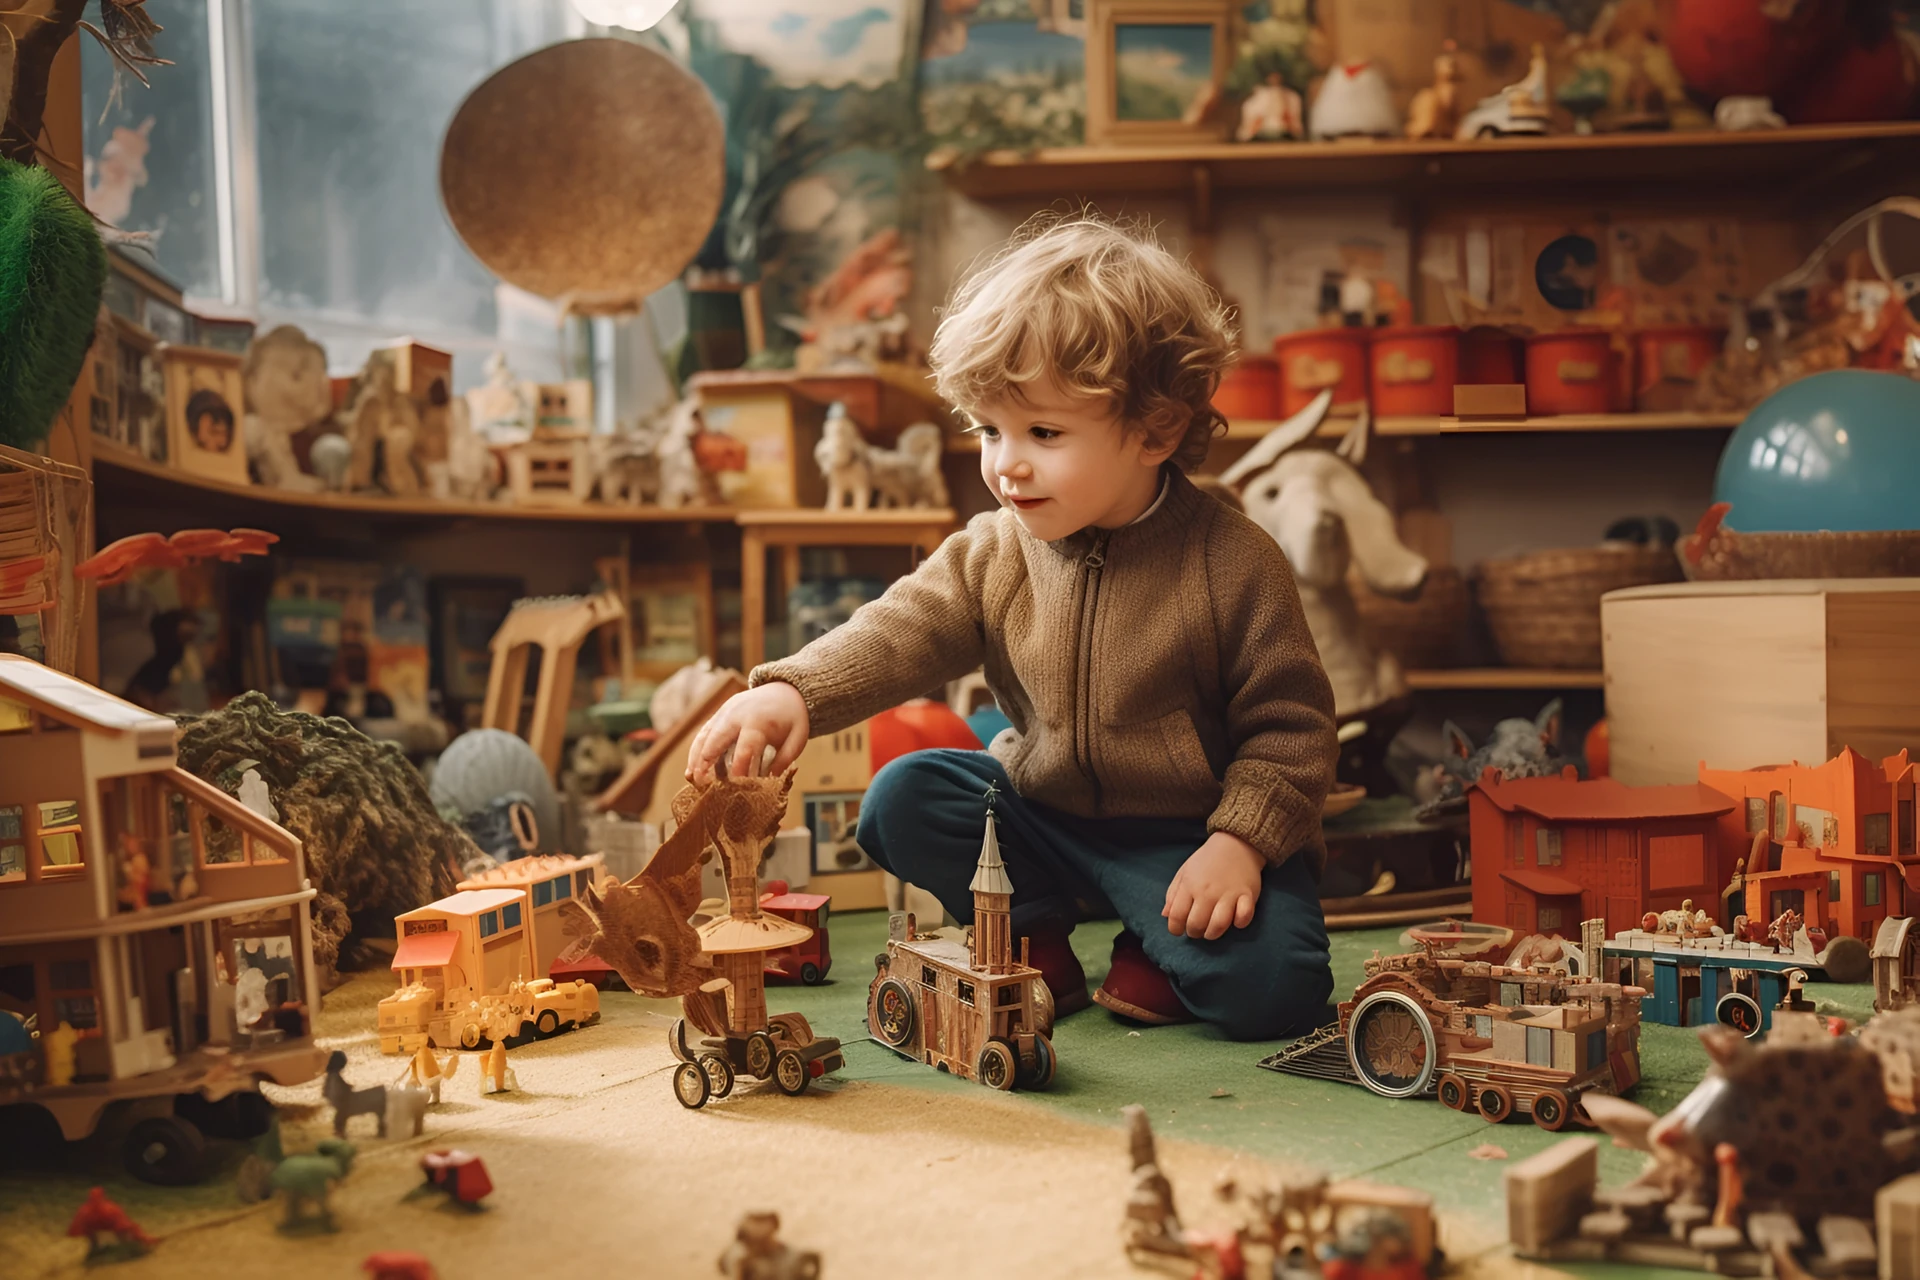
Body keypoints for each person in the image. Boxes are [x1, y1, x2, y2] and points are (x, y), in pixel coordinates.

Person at [686, 214, 1337, 1040]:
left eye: (1044, 433)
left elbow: (1294, 732)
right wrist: (796, 691)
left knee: (1276, 987)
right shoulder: (997, 548)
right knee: (903, 796)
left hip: (1187, 840)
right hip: (1040, 822)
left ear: (1156, 430)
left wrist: (1240, 843)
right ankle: (1033, 930)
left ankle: (1158, 940)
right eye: (990, 429)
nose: (1006, 463)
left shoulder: (1235, 562)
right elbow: (902, 628)